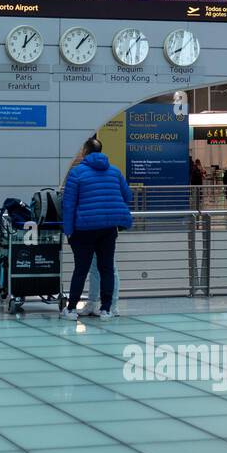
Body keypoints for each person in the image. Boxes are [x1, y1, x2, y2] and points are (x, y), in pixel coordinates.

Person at [61, 136, 132, 321]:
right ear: (101, 151)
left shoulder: (77, 173)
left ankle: (71, 309)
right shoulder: (115, 172)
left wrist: (68, 230)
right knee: (106, 267)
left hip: (84, 229)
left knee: (81, 269)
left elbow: (68, 204)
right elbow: (128, 195)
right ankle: (106, 309)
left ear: (84, 152)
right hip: (108, 229)